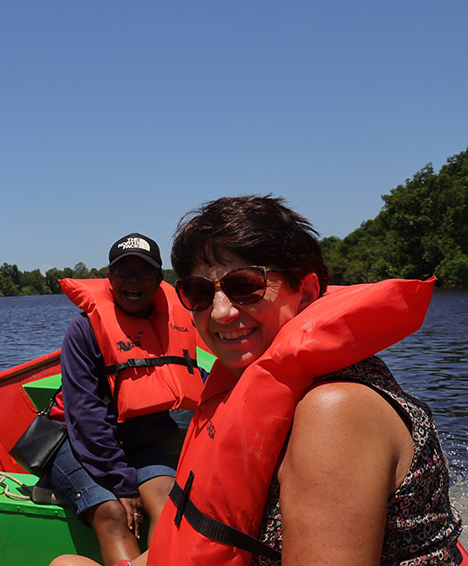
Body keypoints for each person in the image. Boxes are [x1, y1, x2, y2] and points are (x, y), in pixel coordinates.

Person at [55, 195, 464, 566]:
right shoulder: (249, 381)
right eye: (199, 292)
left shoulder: (335, 411)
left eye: (245, 286)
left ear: (305, 291)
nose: (220, 313)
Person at [47, 233, 205, 566]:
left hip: (139, 437)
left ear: (160, 280)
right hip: (75, 441)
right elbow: (86, 416)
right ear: (110, 277)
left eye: (143, 272)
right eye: (123, 271)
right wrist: (122, 482)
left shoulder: (175, 322)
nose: (133, 280)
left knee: (168, 504)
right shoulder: (84, 329)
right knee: (113, 513)